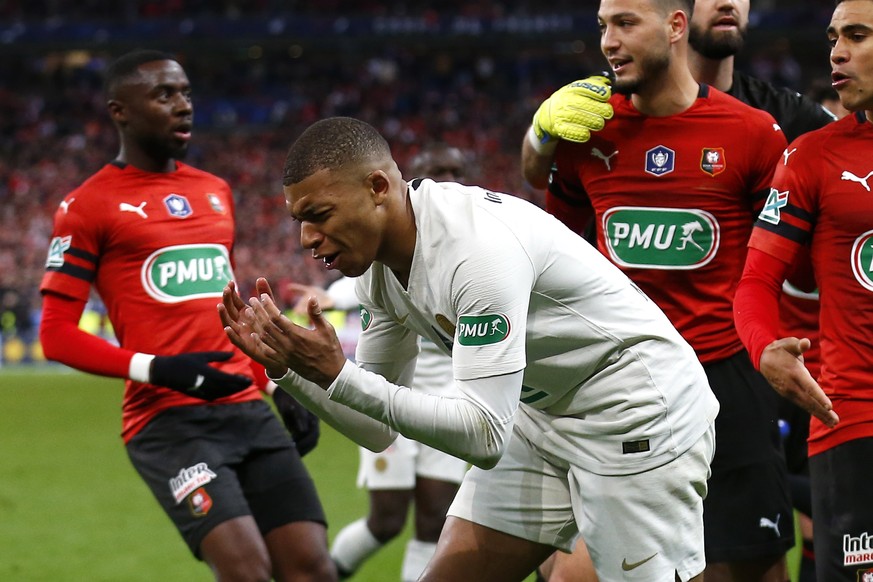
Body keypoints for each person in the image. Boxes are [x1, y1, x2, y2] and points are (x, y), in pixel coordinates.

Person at [220, 116, 720, 582]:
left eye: (319, 215)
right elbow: (376, 430)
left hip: (636, 413)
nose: (306, 237)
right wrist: (291, 371)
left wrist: (337, 373)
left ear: (377, 188)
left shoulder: (476, 253)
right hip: (540, 417)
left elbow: (483, 437)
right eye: (298, 221)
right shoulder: (377, 272)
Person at [520, 1, 794, 581]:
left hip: (728, 380)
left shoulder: (751, 133)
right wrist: (539, 134)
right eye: (602, 26)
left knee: (744, 569)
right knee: (580, 572)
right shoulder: (587, 131)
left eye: (624, 24)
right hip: (623, 383)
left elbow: (781, 264)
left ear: (674, 27)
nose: (608, 42)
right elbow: (556, 246)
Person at [38, 50, 336, 581]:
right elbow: (56, 336)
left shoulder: (214, 191)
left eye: (187, 94)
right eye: (164, 95)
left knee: (312, 567)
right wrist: (160, 369)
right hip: (167, 421)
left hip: (243, 406)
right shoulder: (87, 206)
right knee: (248, 572)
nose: (183, 106)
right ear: (119, 111)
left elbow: (227, 315)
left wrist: (275, 385)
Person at [734, 2, 873, 580]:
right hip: (854, 421)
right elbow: (756, 283)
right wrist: (765, 346)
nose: (837, 51)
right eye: (833, 37)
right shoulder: (813, 155)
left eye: (858, 36)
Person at [296, 143, 471, 581]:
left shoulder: (472, 248)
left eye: (455, 169)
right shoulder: (397, 238)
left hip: (448, 402)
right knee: (387, 520)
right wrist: (327, 297)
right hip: (392, 393)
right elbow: (366, 283)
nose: (447, 175)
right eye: (438, 168)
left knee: (435, 520)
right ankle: (331, 572)